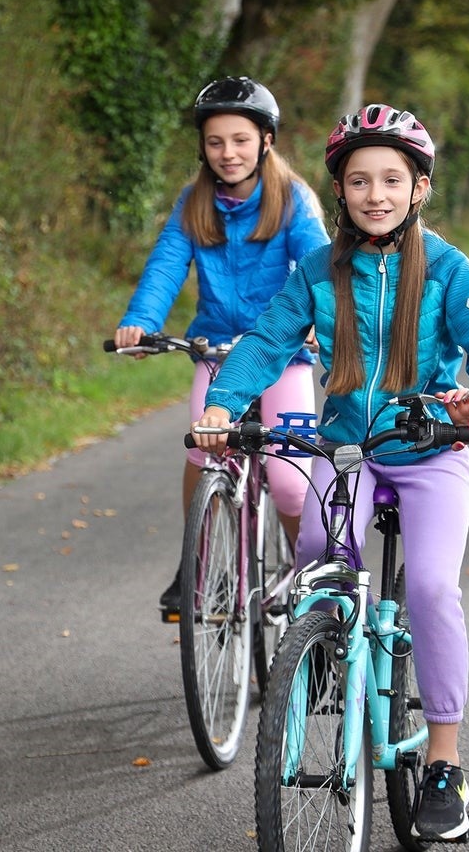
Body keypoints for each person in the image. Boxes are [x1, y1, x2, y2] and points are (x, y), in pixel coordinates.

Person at [191, 103, 469, 843]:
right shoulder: (319, 269)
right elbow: (268, 339)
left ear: (419, 188)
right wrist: (222, 402)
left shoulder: (448, 267)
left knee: (432, 589)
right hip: (349, 450)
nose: (376, 193)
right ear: (339, 190)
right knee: (315, 561)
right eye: (360, 180)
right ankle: (328, 650)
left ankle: (442, 761)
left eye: (392, 180)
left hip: (429, 452)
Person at [113, 76, 328, 612]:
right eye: (215, 142)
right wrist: (140, 320)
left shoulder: (293, 198)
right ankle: (200, 563)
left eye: (239, 139)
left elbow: (319, 263)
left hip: (283, 356)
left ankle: (313, 585)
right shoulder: (195, 202)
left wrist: (322, 319)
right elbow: (165, 266)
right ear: (202, 148)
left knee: (287, 480)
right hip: (215, 353)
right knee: (202, 450)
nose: (227, 153)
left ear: (266, 141)